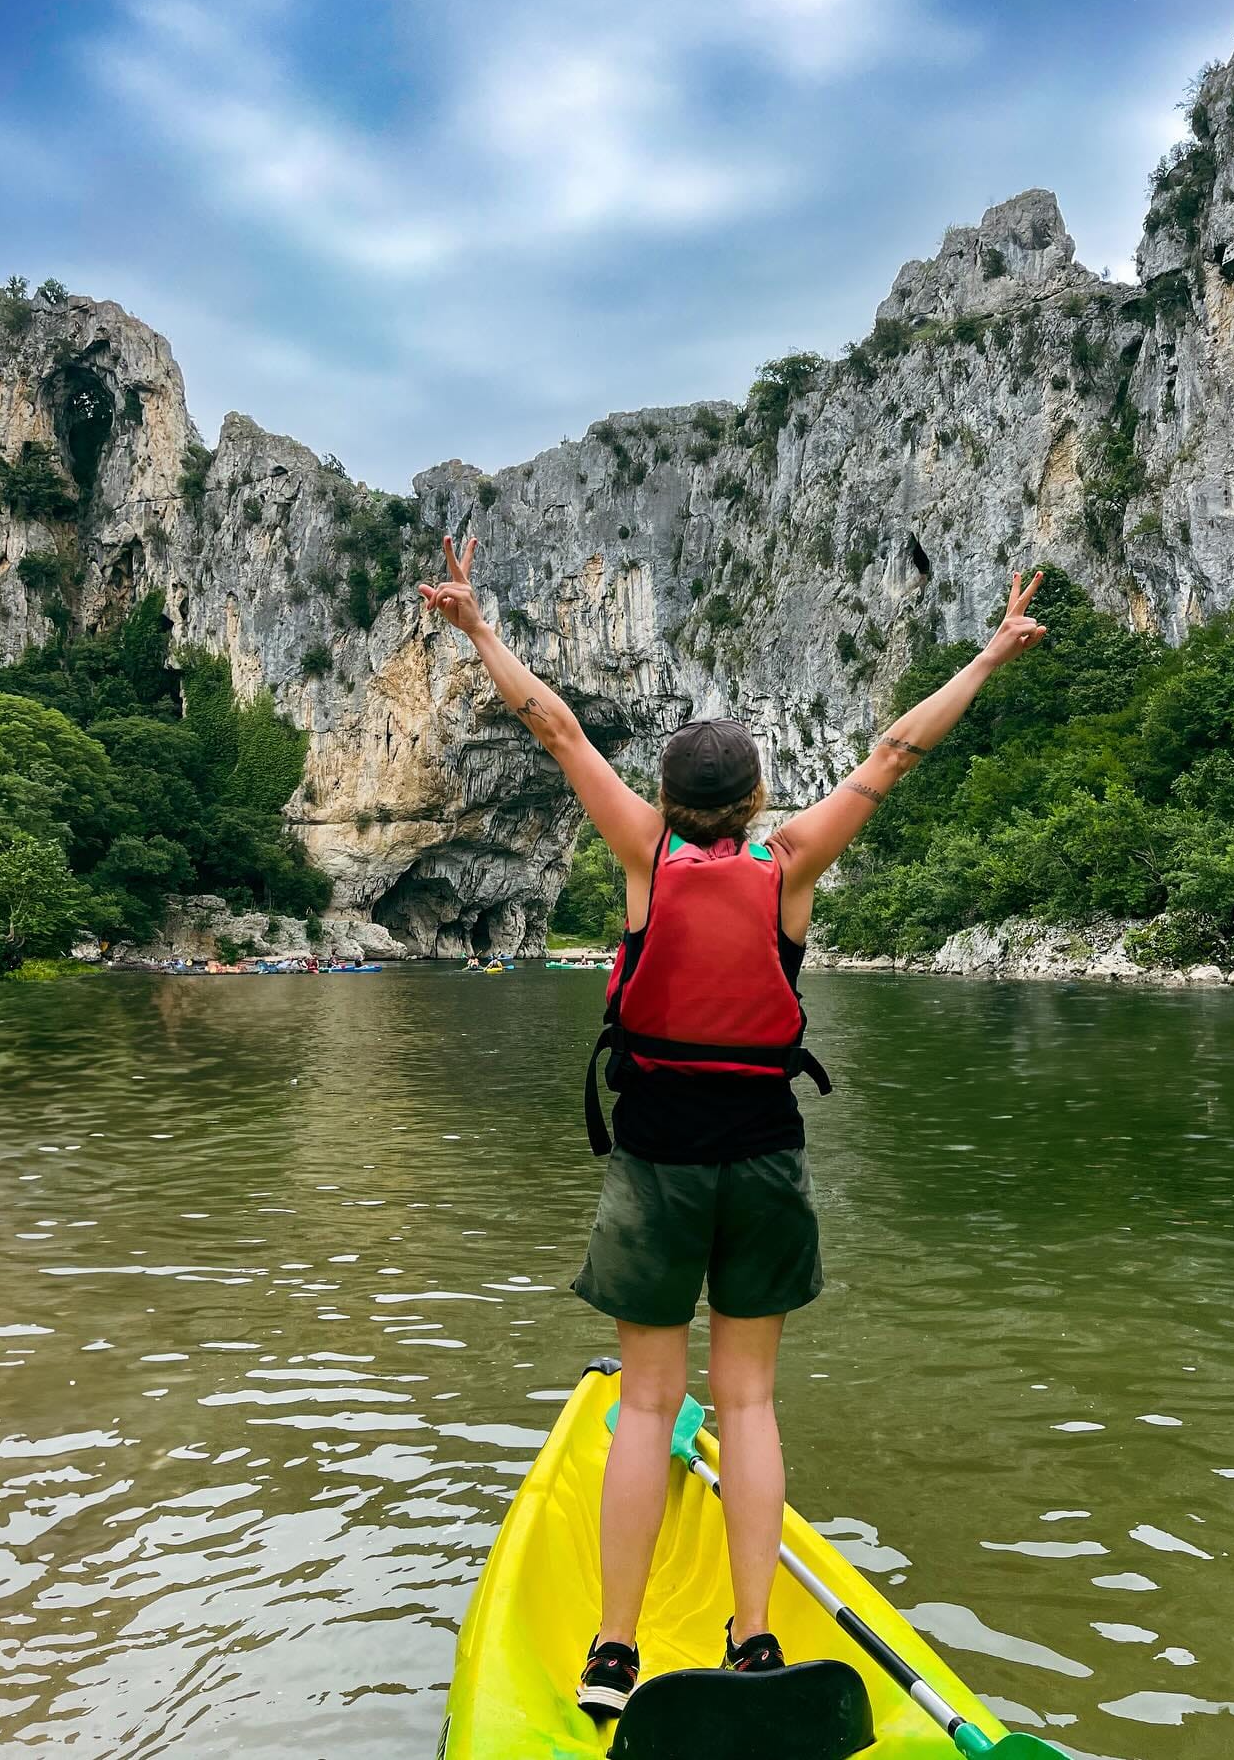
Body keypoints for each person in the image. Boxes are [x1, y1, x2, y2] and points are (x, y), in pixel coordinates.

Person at [420, 535, 1046, 1716]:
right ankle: (754, 1640)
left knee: (649, 1404)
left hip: (656, 1163)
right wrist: (990, 653)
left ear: (667, 799)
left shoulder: (643, 851)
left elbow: (553, 726)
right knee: (748, 1400)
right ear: (759, 800)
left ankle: (613, 1653)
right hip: (763, 1156)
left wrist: (477, 625)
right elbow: (898, 749)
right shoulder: (797, 855)